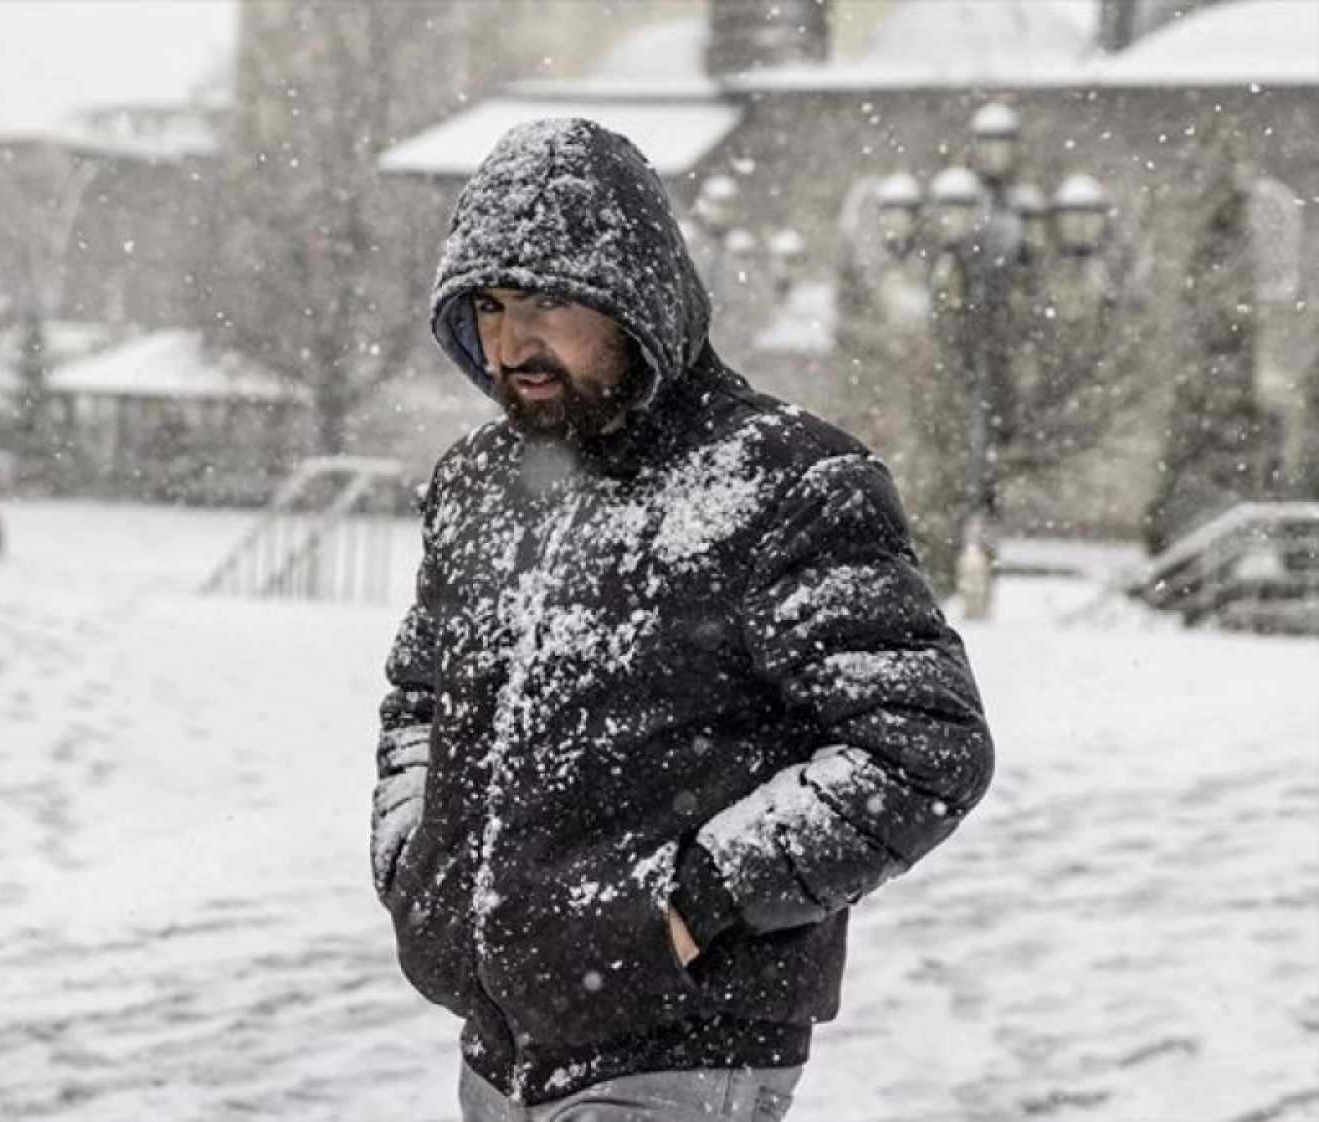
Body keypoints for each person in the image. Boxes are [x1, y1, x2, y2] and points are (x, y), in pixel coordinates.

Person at [370, 118, 994, 1122]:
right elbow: (420, 700)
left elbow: (922, 746)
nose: (511, 345)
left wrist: (691, 904)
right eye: (487, 307)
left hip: (684, 1060)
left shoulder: (783, 483)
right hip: (495, 1058)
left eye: (546, 302)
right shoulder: (478, 484)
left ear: (635, 295)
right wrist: (413, 860)